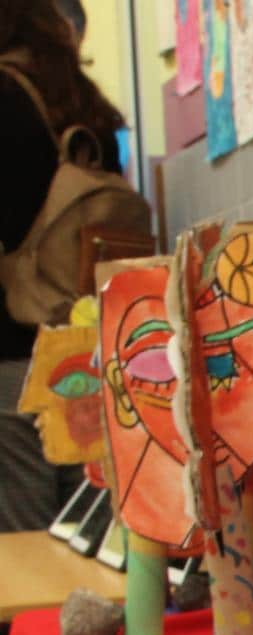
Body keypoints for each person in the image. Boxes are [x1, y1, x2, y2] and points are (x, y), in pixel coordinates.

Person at [0, 0, 123, 532]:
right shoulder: (86, 107)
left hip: (12, 354)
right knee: (90, 536)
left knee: (23, 543)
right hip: (92, 349)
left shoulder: (5, 97)